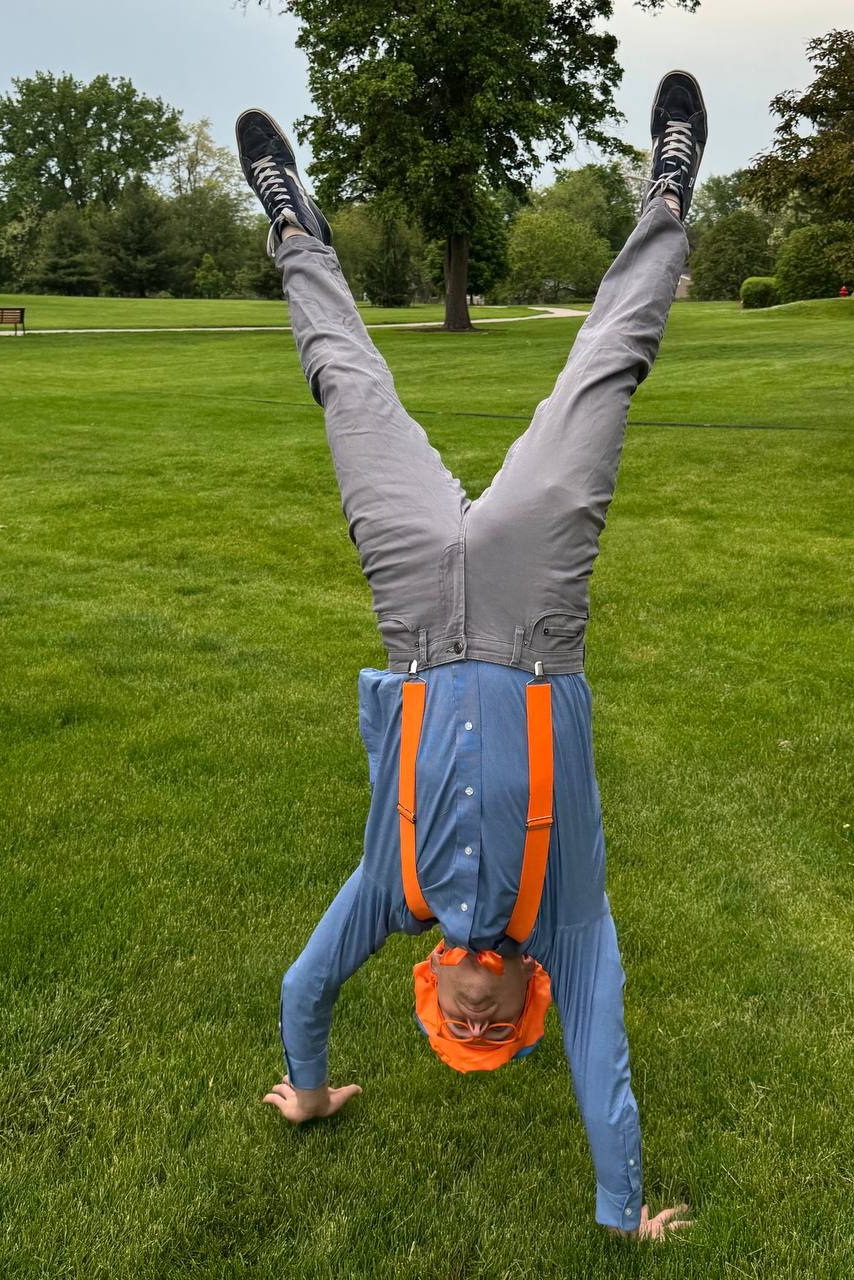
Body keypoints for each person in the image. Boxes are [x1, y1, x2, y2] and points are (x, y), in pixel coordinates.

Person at [236, 70, 707, 1243]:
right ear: (530, 994)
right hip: (535, 605)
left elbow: (303, 987)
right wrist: (621, 1212)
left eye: (464, 1027)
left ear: (429, 993)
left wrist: (306, 1086)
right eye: (499, 1029)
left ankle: (291, 223)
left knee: (348, 389)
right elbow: (604, 1069)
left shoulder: (386, 898)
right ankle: (668, 196)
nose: (482, 1016)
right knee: (602, 375)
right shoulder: (573, 929)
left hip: (413, 611)